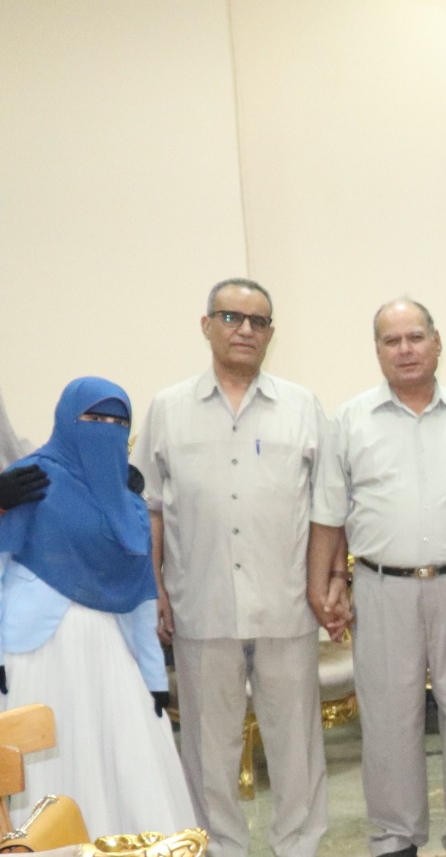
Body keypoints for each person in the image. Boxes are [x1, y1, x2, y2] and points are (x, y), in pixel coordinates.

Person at [134, 278, 328, 857]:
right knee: (208, 748)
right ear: (206, 325)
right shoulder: (168, 408)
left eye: (257, 321)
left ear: (271, 333)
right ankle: (220, 848)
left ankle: (298, 847)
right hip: (202, 605)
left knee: (296, 746)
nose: (244, 329)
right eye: (231, 317)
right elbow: (149, 508)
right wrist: (155, 588)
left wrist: (329, 583)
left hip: (285, 604)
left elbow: (326, 506)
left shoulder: (302, 406)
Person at [309, 299, 446, 857]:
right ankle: (395, 836)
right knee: (389, 718)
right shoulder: (349, 421)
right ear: (377, 351)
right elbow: (328, 513)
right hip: (381, 586)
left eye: (415, 337)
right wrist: (324, 585)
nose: (405, 349)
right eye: (391, 340)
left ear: (437, 342)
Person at [0, 377, 193, 835]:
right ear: (68, 420)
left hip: (110, 659)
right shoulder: (29, 481)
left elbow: (140, 597)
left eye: (116, 422)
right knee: (42, 766)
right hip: (35, 656)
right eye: (93, 418)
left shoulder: (127, 503)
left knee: (122, 765)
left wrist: (154, 679)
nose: (104, 429)